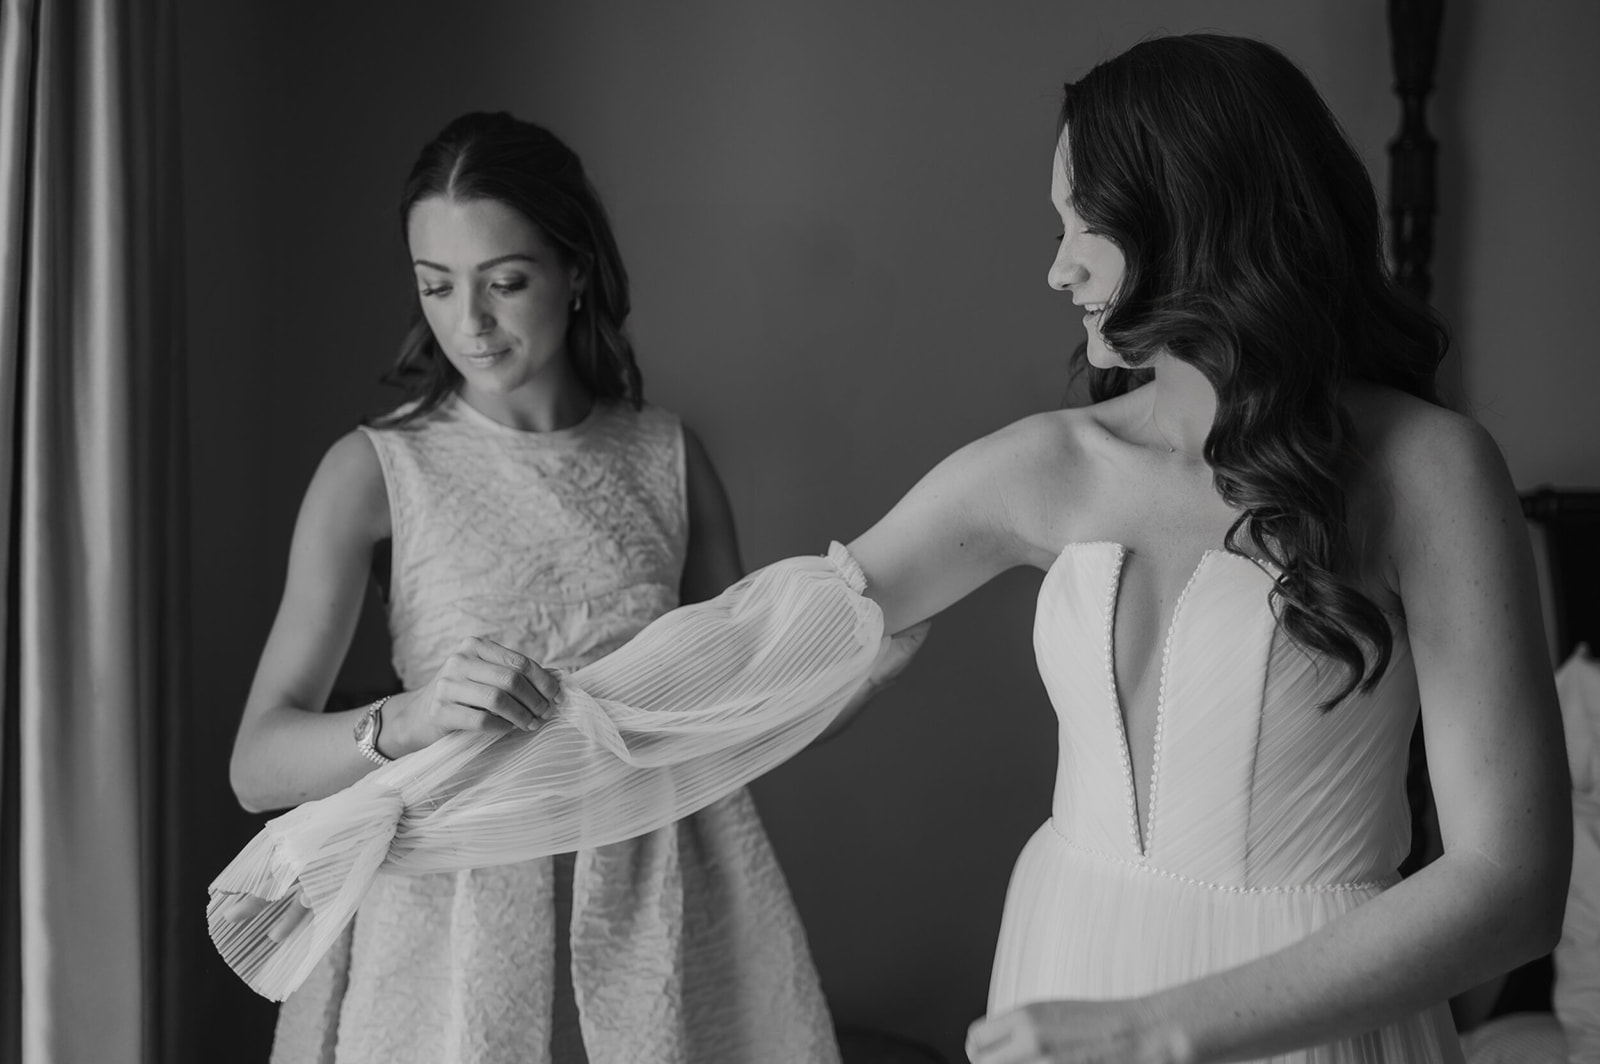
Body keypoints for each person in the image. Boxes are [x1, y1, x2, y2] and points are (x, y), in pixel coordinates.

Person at [214, 34, 1570, 1064]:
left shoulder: (1428, 472)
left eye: (1081, 226)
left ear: (1197, 220)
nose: (1055, 269)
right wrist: (370, 810)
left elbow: (1510, 886)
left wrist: (1158, 1030)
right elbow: (744, 652)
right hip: (1069, 958)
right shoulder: (1047, 463)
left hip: (1299, 1008)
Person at [226, 111, 844, 1064]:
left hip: (659, 893)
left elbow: (745, 709)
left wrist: (859, 654)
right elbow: (256, 767)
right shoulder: (373, 471)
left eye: (505, 282)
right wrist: (412, 718)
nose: (468, 322)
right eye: (436, 285)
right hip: (451, 917)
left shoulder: (669, 457)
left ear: (576, 270)